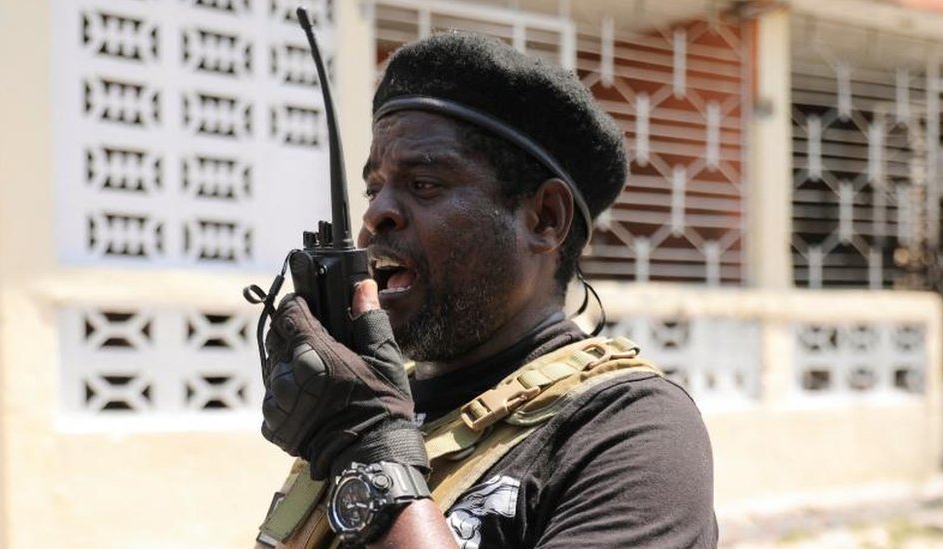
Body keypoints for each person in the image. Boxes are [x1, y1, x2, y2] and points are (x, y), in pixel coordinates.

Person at [255, 31, 717, 549]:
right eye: (374, 186)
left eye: (424, 184)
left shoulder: (633, 431)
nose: (375, 215)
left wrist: (373, 450)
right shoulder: (374, 399)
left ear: (545, 218)